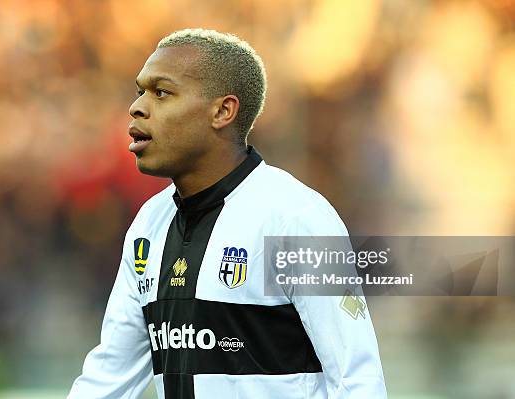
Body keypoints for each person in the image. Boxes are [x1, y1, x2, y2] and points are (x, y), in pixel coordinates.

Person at [67, 28, 387, 399]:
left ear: (222, 111)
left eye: (162, 92)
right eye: (140, 91)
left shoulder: (296, 218)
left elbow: (357, 380)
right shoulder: (149, 225)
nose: (138, 106)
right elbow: (107, 380)